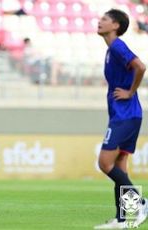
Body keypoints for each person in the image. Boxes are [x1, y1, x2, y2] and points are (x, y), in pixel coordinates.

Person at [94, 9, 147, 229]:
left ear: (115, 25)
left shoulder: (117, 46)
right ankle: (122, 220)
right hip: (126, 115)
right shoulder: (110, 50)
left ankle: (141, 203)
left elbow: (140, 66)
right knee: (120, 166)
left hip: (125, 116)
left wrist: (130, 91)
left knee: (104, 163)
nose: (100, 21)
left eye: (105, 19)